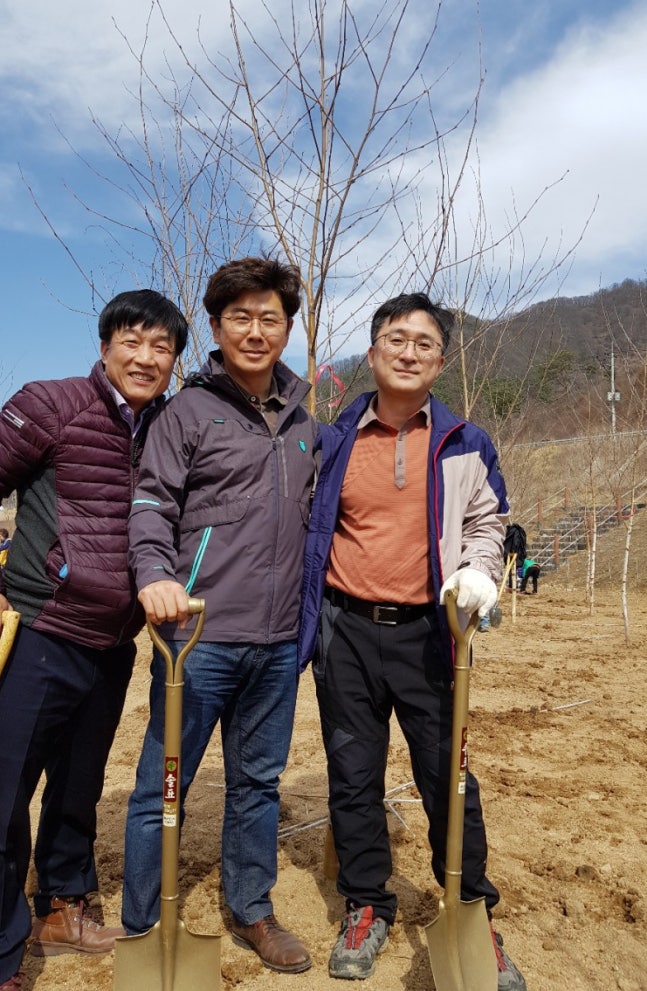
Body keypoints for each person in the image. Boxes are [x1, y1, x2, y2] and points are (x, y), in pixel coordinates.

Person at [0, 289, 188, 991]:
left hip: (114, 640)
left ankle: (62, 904)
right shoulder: (50, 404)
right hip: (37, 630)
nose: (145, 358)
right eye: (132, 341)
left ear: (174, 358)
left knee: (78, 785)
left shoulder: (169, 426)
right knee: (4, 788)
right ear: (106, 343)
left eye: (160, 347)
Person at [298, 292, 527, 990]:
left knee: (446, 778)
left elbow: (490, 521)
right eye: (394, 339)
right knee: (353, 774)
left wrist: (479, 573)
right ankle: (367, 904)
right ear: (371, 354)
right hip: (345, 630)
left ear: (439, 359)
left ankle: (469, 910)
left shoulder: (464, 441)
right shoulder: (331, 439)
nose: (407, 351)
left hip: (431, 634)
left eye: (422, 342)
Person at [124, 257, 316, 973]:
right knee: (160, 786)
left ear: (287, 328)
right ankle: (144, 922)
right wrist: (153, 576)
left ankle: (252, 907)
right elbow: (150, 505)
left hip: (275, 643)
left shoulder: (304, 425)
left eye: (270, 317)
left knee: (257, 783)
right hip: (196, 636)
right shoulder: (187, 411)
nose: (255, 330)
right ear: (214, 326)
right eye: (240, 316)